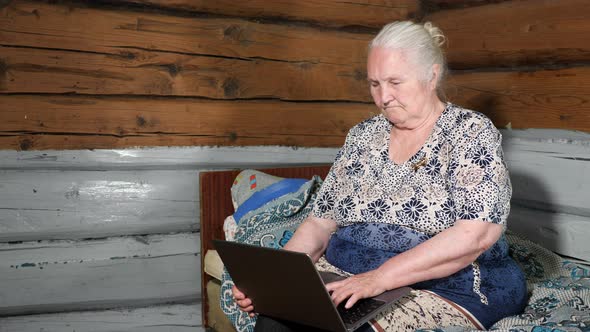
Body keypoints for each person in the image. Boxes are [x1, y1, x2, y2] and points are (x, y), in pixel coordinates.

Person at [233, 20, 528, 331]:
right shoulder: (362, 136)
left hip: (441, 286)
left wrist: (378, 279)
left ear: (432, 74)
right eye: (374, 84)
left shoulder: (469, 132)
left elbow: (474, 235)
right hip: (350, 277)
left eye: (395, 82)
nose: (382, 97)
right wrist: (277, 280)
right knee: (275, 319)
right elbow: (320, 223)